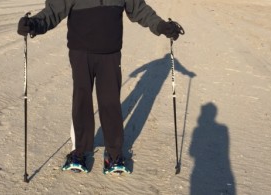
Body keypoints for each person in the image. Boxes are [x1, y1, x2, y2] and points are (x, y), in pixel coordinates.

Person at [17, 0, 184, 174]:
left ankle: (113, 155)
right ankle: (79, 152)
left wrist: (161, 25)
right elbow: (53, 11)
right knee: (81, 101)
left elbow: (139, 9)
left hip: (110, 53)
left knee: (110, 103)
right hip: (80, 52)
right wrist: (34, 24)